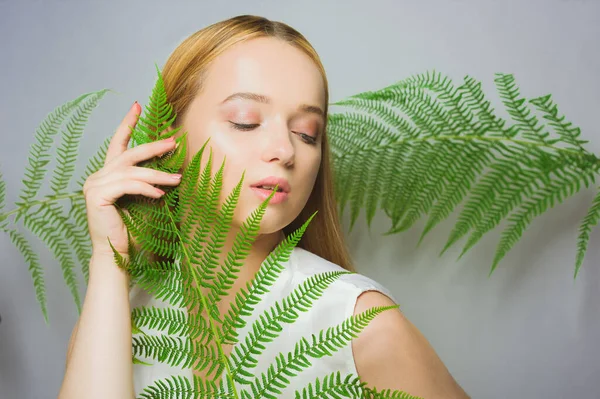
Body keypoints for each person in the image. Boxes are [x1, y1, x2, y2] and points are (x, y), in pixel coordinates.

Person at [58, 14, 469, 399]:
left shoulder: (361, 324)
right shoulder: (116, 312)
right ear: (169, 137)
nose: (284, 150)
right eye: (245, 122)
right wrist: (108, 259)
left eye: (307, 133)